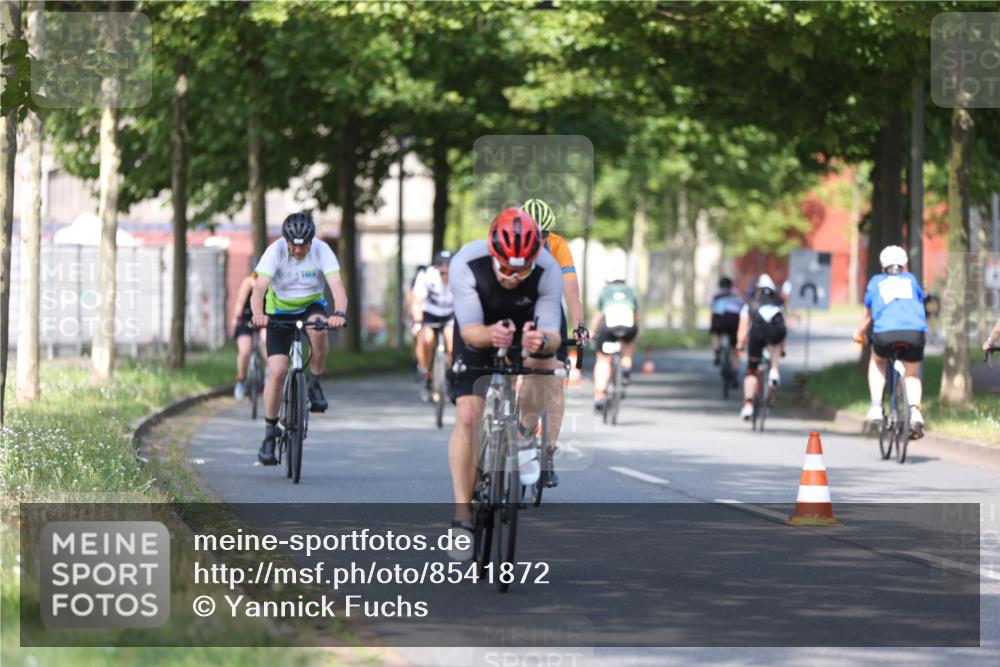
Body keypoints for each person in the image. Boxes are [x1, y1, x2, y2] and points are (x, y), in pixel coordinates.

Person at [446, 208, 563, 548]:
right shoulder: (467, 263)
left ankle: (524, 437)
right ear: (492, 253)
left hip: (527, 321)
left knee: (546, 367)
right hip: (479, 329)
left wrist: (540, 340)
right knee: (468, 417)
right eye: (507, 268)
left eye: (522, 269)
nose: (514, 276)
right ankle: (463, 514)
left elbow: (552, 334)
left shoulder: (547, 270)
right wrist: (491, 336)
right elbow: (469, 332)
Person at [250, 212, 348, 465]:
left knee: (319, 329)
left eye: (303, 243)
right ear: (285, 240)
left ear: (311, 240)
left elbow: (337, 286)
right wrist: (258, 314)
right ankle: (270, 434)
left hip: (311, 305)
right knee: (278, 371)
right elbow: (259, 287)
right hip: (278, 311)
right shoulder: (275, 252)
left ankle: (314, 383)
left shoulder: (322, 250)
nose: (298, 248)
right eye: (293, 243)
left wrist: (338, 313)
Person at [521, 198, 587, 487]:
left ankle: (547, 455)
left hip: (547, 309)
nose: (540, 239)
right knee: (519, 376)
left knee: (555, 381)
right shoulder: (510, 240)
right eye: (535, 234)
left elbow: (570, 291)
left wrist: (580, 325)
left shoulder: (558, 246)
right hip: (517, 305)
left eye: (545, 234)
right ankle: (518, 433)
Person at [852, 245, 928, 438]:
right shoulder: (911, 281)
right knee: (911, 374)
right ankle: (916, 413)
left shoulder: (876, 282)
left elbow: (867, 318)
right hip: (914, 333)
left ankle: (876, 406)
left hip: (885, 334)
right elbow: (920, 305)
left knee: (877, 360)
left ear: (883, 266)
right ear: (904, 265)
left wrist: (857, 334)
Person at [737, 274, 786, 420]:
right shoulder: (779, 304)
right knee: (775, 346)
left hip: (757, 335)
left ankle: (748, 405)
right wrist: (782, 348)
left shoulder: (750, 304)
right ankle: (774, 371)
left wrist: (740, 344)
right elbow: (783, 328)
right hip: (776, 333)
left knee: (751, 371)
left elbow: (743, 327)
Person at [590, 270, 640, 411]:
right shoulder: (631, 291)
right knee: (628, 348)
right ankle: (625, 368)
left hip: (609, 328)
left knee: (603, 359)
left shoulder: (605, 291)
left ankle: (599, 394)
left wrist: (592, 332)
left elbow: (598, 315)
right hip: (629, 326)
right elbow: (636, 315)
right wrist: (636, 333)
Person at [411, 250, 455, 399]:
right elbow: (417, 301)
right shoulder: (426, 275)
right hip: (430, 312)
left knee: (452, 341)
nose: (445, 276)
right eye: (442, 272)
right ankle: (426, 372)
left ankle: (451, 376)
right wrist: (417, 322)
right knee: (426, 339)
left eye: (448, 272)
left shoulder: (461, 275)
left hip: (451, 312)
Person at [229, 271, 262, 400]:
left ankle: (269, 378)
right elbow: (239, 304)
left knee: (266, 346)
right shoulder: (247, 284)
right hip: (246, 321)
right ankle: (241, 380)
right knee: (245, 351)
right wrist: (236, 318)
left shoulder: (272, 284)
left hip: (265, 321)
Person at [709, 276, 743, 384]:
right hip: (734, 319)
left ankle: (717, 352)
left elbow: (711, 306)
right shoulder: (736, 293)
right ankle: (735, 374)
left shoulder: (716, 294)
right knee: (734, 350)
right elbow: (742, 306)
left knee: (716, 333)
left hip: (720, 317)